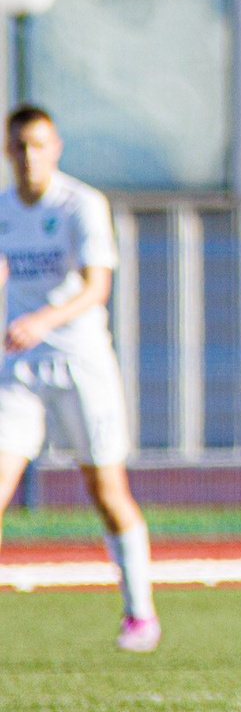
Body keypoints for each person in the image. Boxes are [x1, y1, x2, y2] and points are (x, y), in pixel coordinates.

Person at [0, 106, 158, 650]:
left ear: (56, 147)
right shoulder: (2, 210)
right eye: (19, 146)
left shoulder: (81, 205)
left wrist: (41, 319)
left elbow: (96, 287)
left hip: (81, 362)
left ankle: (140, 611)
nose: (28, 156)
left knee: (105, 488)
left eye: (37, 145)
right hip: (18, 369)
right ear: (6, 150)